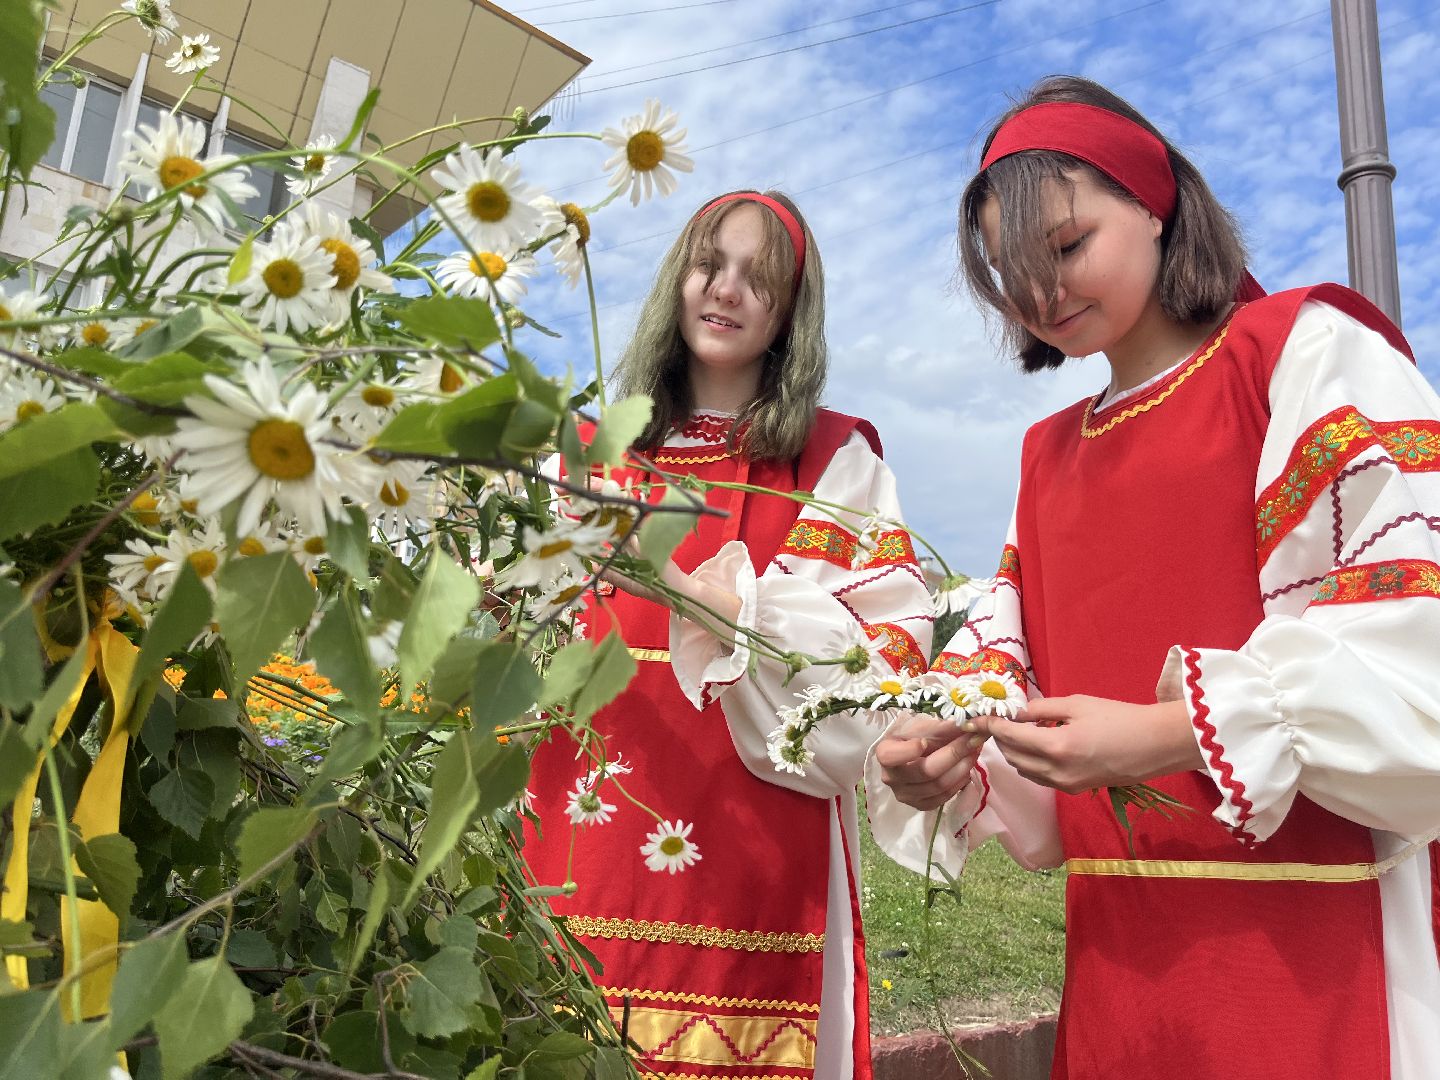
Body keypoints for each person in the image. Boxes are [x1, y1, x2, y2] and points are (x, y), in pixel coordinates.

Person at [866, 76, 1440, 1079]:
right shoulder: (1046, 456)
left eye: (1068, 245)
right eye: (1010, 274)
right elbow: (1006, 667)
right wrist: (948, 750)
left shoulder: (1301, 354)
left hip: (1318, 938)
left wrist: (1169, 737)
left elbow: (1411, 637)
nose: (1039, 295)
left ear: (1155, 202)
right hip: (1123, 964)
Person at [525, 190, 933, 1080]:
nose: (729, 290)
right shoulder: (586, 450)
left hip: (753, 858)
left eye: (763, 280)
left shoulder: (836, 460)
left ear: (791, 317)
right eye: (712, 263)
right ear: (680, 276)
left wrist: (697, 597)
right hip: (580, 835)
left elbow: (880, 653)